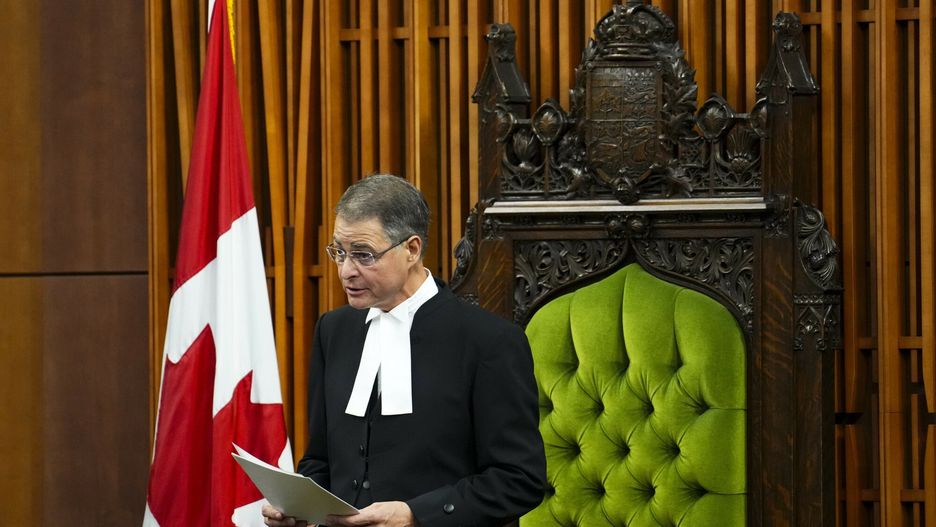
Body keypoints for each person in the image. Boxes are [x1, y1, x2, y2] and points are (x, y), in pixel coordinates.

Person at [262, 174, 546, 527]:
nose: (346, 270)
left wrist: (415, 515)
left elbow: (520, 480)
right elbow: (320, 460)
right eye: (339, 252)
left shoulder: (489, 341)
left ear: (412, 249)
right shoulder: (334, 331)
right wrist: (299, 506)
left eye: (363, 255)